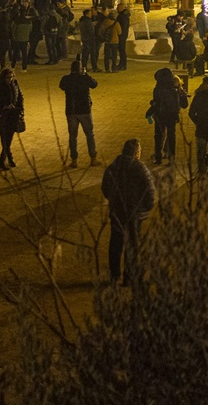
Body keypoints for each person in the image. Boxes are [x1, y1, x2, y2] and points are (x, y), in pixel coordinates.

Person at [101, 138, 156, 286]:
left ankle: (114, 276)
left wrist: (114, 201)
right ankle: (129, 278)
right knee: (132, 246)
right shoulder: (140, 168)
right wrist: (144, 208)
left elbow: (105, 187)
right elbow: (150, 193)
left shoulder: (113, 166)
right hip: (134, 215)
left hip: (117, 212)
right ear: (136, 153)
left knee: (115, 244)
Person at [57, 58, 99, 167]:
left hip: (71, 111)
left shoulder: (66, 79)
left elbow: (61, 86)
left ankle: (74, 160)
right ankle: (93, 158)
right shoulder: (84, 79)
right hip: (84, 110)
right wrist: (85, 74)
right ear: (80, 69)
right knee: (89, 134)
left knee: (72, 136)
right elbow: (94, 84)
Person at [0, 68, 25, 171]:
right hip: (2, 117)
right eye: (8, 77)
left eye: (12, 77)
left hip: (13, 116)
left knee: (9, 138)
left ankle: (8, 157)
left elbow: (20, 98)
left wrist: (20, 109)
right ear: (3, 78)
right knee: (5, 139)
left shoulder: (15, 86)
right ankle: (3, 160)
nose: (10, 79)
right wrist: (3, 107)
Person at [147, 66, 184, 164]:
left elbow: (156, 102)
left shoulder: (158, 89)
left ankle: (158, 158)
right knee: (171, 137)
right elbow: (181, 104)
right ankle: (171, 159)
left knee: (158, 136)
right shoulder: (174, 88)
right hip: (172, 115)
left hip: (160, 115)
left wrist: (151, 108)